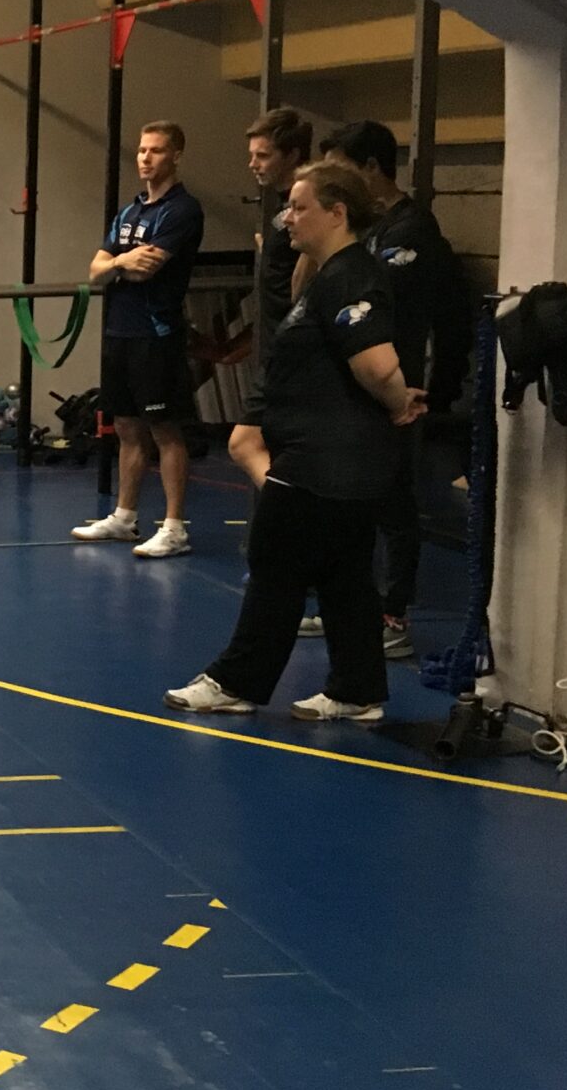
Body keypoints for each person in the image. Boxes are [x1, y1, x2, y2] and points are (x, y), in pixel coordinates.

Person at [166, 163, 424, 724]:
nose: (288, 218)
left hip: (324, 458)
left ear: (337, 213)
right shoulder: (330, 275)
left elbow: (378, 365)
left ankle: (236, 681)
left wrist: (398, 401)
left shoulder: (352, 276)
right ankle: (357, 689)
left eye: (300, 207)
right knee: (343, 574)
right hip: (329, 458)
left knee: (275, 562)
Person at [324, 118, 467, 662]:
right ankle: (350, 606)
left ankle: (393, 616)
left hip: (399, 388)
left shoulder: (412, 232)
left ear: (371, 168)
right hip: (360, 386)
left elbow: (376, 301)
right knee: (350, 502)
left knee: (393, 504)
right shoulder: (370, 228)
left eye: (343, 171)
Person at [74, 120, 204, 558]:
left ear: (176, 156)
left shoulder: (182, 210)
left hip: (156, 334)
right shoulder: (129, 213)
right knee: (127, 427)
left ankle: (174, 527)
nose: (146, 158)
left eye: (157, 150)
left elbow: (147, 268)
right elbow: (96, 270)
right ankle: (124, 517)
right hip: (120, 331)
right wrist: (120, 262)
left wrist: (119, 263)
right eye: (142, 150)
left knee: (164, 429)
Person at [232, 108, 311, 486]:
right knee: (270, 444)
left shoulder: (308, 205)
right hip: (277, 343)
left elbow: (312, 267)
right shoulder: (282, 207)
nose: (253, 164)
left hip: (295, 346)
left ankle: (290, 507)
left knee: (244, 443)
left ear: (292, 155)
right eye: (252, 155)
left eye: (263, 156)